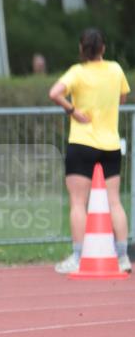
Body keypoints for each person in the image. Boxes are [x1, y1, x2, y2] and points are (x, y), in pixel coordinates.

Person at [48, 28, 131, 273]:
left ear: (81, 49)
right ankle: (124, 257)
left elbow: (54, 93)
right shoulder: (115, 69)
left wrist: (72, 110)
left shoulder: (77, 72)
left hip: (82, 142)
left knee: (77, 202)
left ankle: (77, 257)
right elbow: (123, 98)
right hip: (110, 144)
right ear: (103, 48)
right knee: (115, 201)